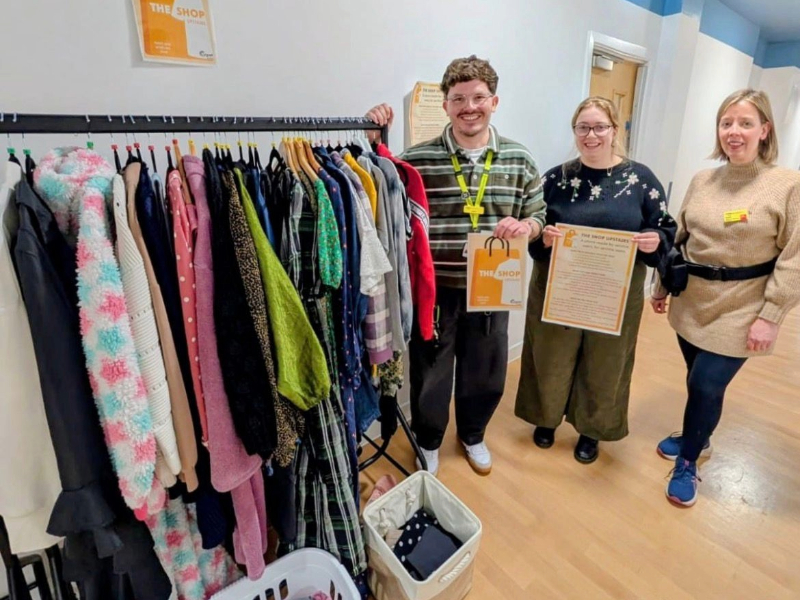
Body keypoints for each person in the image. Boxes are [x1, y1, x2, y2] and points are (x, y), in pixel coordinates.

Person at [367, 55, 546, 476]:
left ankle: (473, 434)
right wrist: (373, 138)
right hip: (436, 288)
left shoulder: (520, 159)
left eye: (478, 97)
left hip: (494, 285)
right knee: (430, 370)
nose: (470, 106)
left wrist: (525, 227)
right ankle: (428, 441)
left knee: (485, 368)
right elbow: (381, 186)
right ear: (446, 105)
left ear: (494, 101)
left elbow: (538, 215)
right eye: (459, 98)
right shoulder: (419, 158)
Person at [651, 89, 800, 507]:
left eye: (746, 123)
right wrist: (663, 285)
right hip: (693, 300)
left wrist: (771, 316)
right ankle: (698, 435)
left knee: (704, 383)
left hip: (742, 305)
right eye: (727, 123)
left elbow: (794, 257)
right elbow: (681, 237)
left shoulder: (787, 185)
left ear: (765, 130)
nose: (734, 131)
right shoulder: (702, 180)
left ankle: (688, 461)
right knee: (698, 380)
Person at [514, 97, 676, 464]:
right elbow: (533, 226)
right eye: (583, 127)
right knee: (550, 354)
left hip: (614, 291)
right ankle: (546, 419)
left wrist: (654, 241)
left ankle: (592, 430)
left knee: (606, 361)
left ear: (614, 130)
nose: (591, 135)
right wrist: (544, 237)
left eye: (600, 127)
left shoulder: (641, 180)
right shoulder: (555, 178)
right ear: (575, 132)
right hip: (559, 286)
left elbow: (665, 229)